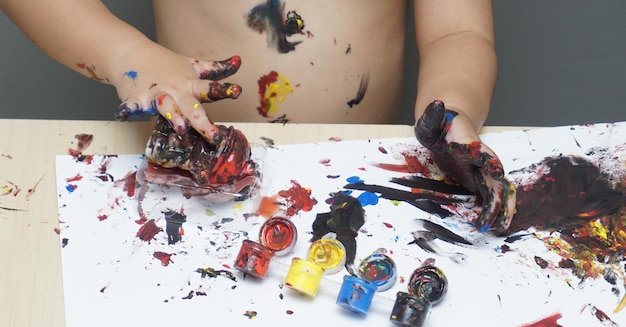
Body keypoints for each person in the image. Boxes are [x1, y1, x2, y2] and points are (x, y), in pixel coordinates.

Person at [0, 0, 515, 231]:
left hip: (352, 182)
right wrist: (122, 54)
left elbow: (457, 33)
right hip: (192, 180)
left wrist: (453, 114)